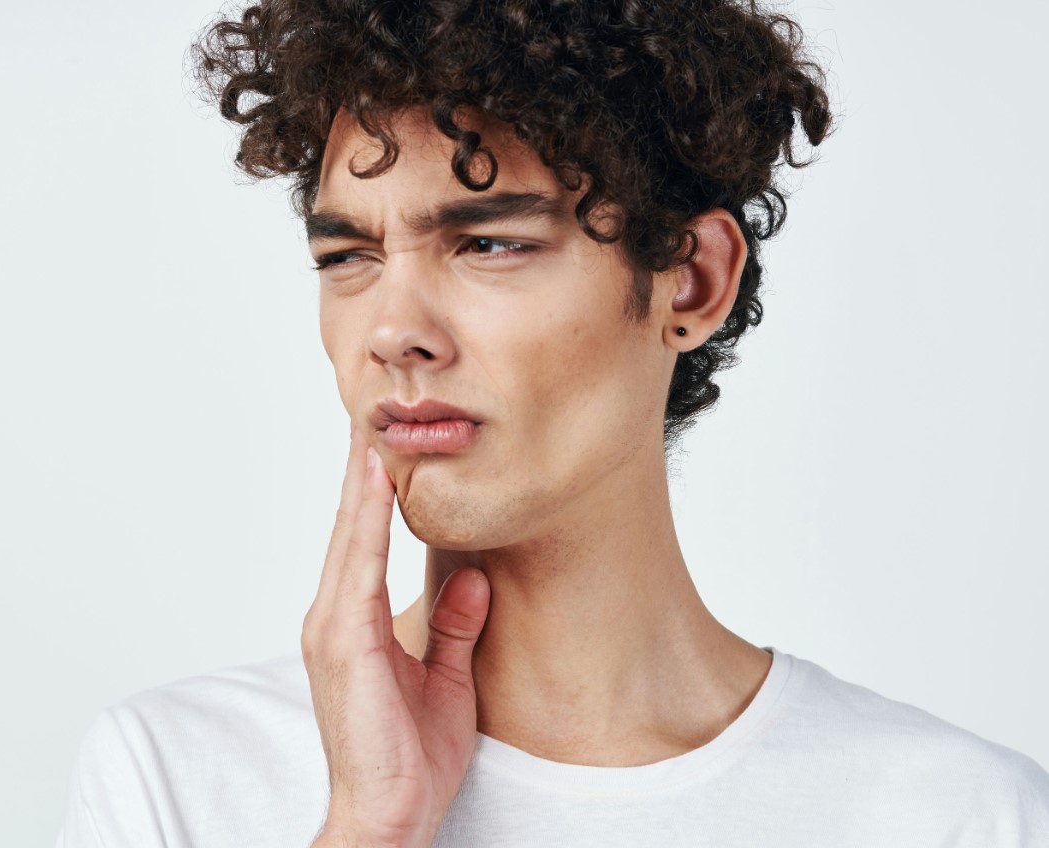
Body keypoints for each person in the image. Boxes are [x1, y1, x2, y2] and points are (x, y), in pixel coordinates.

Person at [56, 1, 1049, 845]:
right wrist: (370, 822)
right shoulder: (180, 777)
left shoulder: (959, 815)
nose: (393, 331)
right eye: (346, 256)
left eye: (486, 241)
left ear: (690, 281)